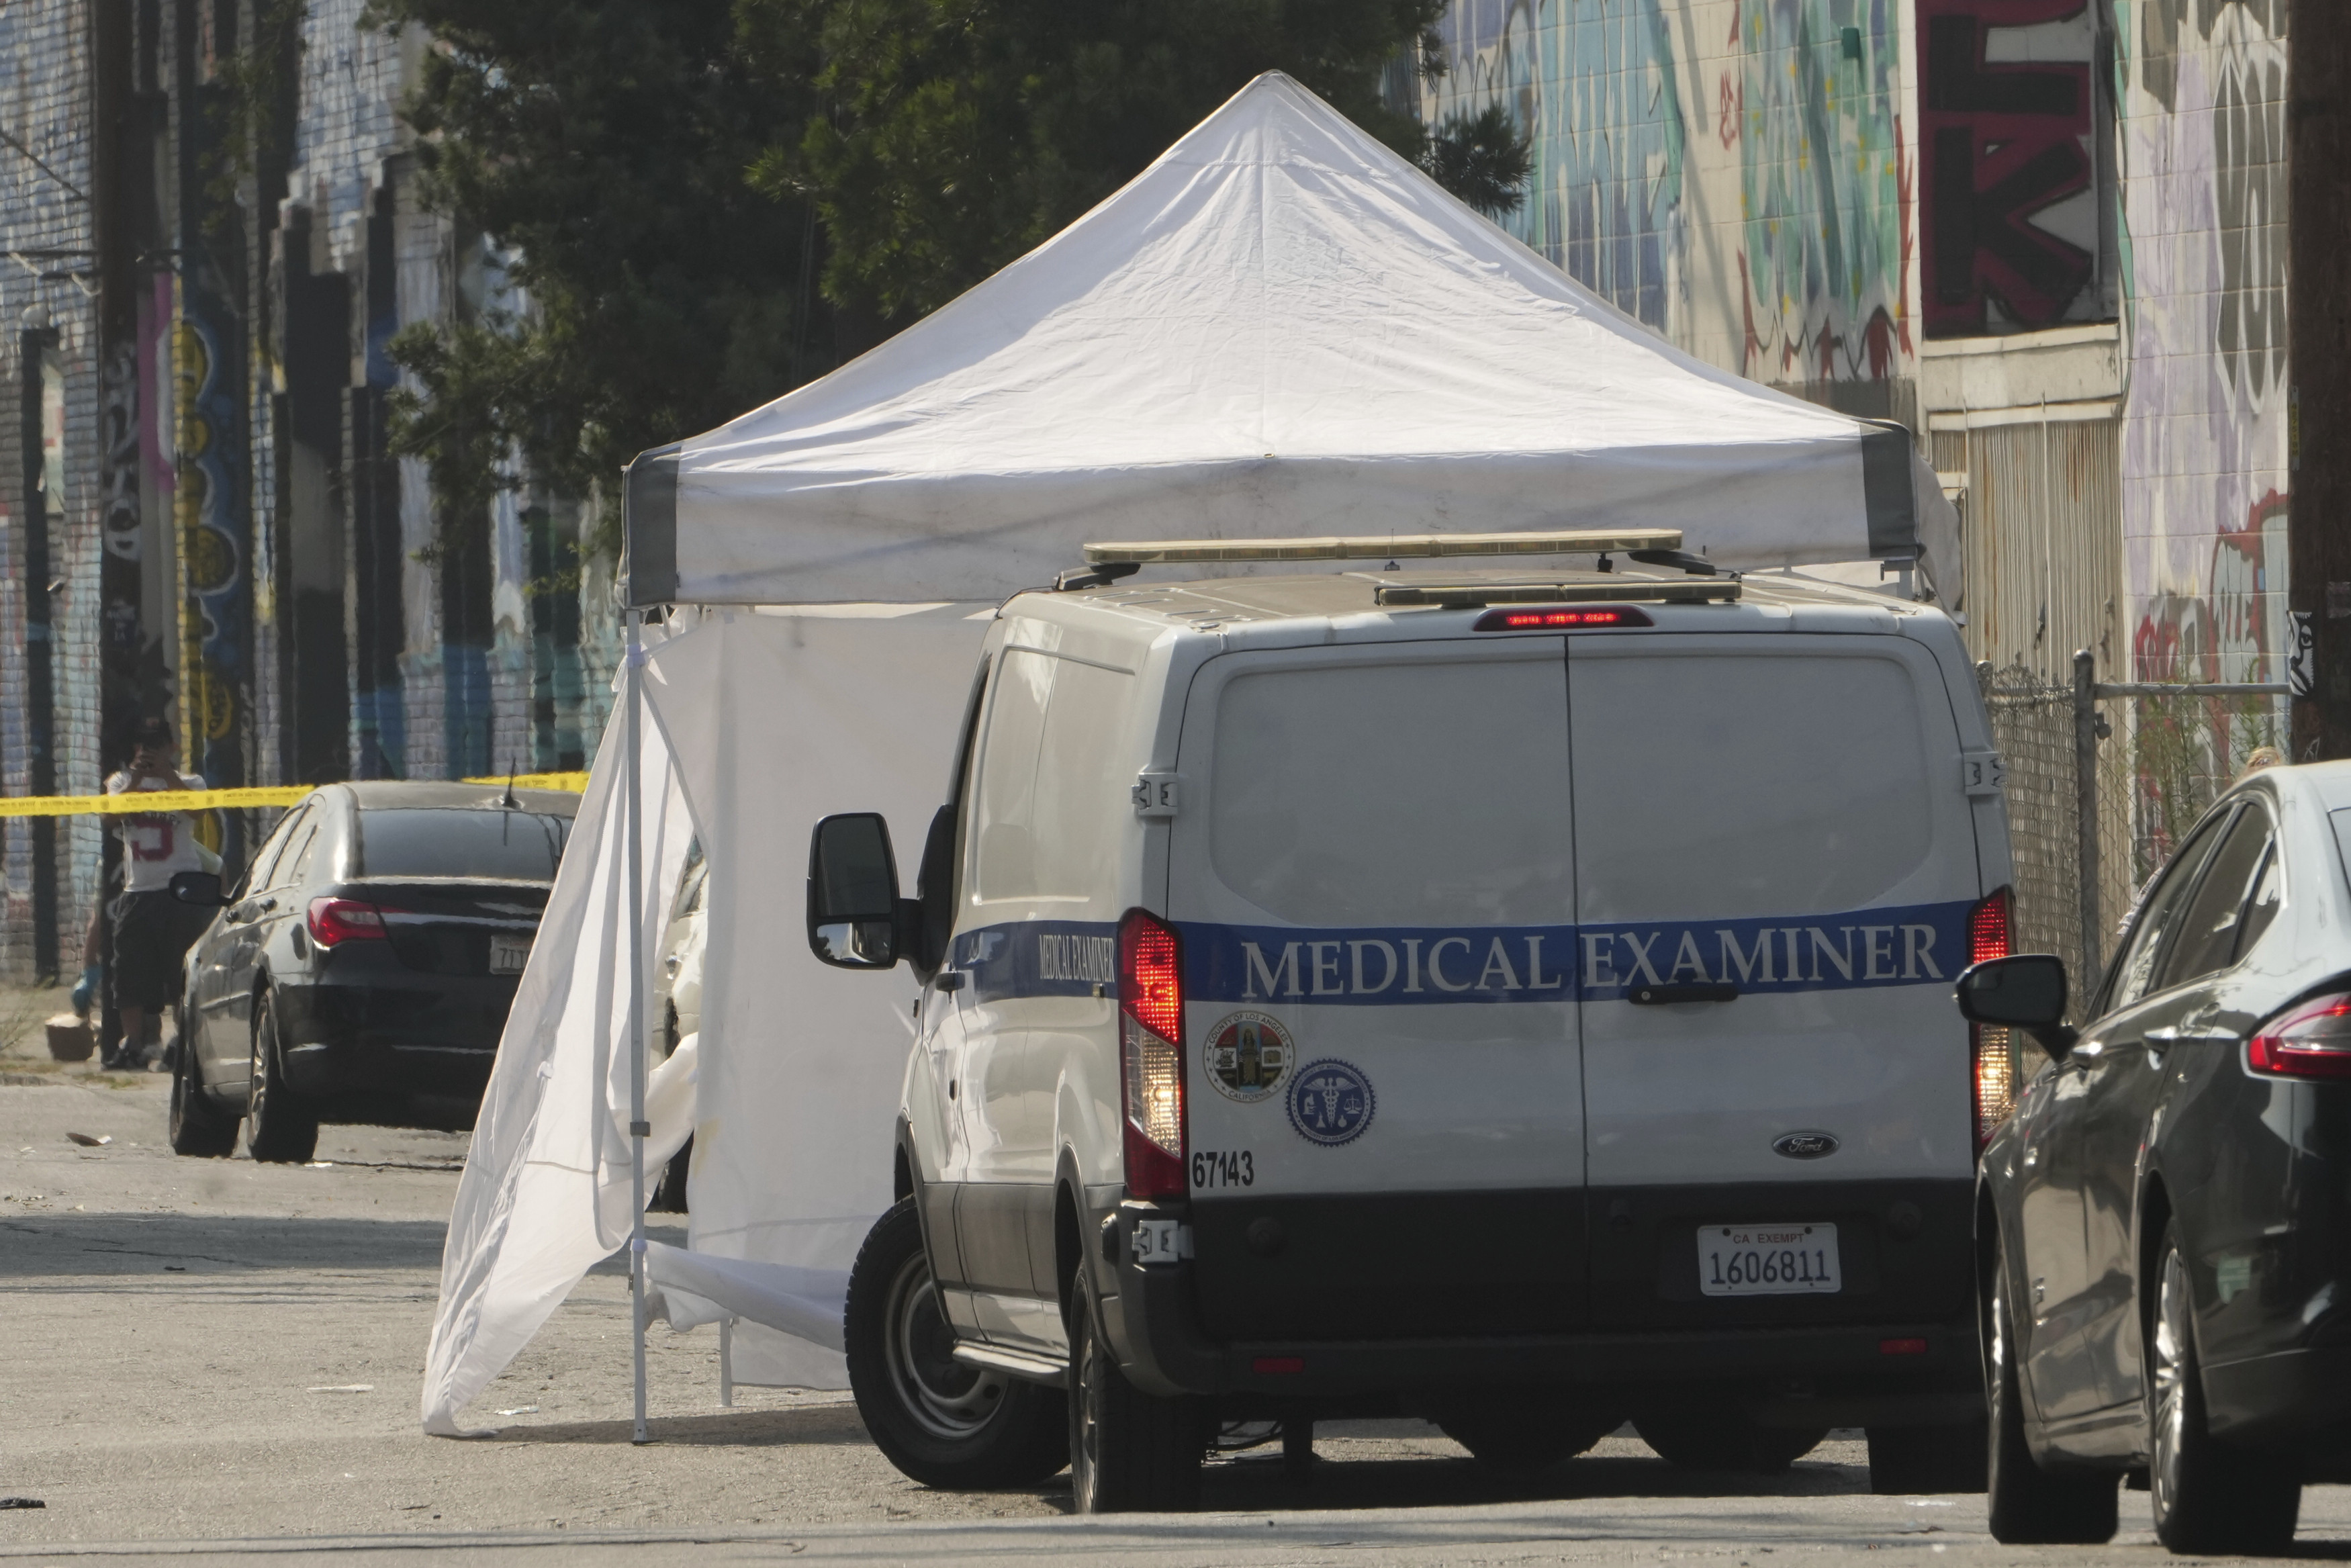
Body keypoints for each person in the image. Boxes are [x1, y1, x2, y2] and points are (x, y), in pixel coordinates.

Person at [80, 717, 212, 1070]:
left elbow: (198, 810)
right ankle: (134, 1044)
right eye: (143, 745)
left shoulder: (190, 782)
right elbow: (110, 817)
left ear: (171, 747)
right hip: (138, 890)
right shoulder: (120, 783)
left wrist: (167, 775)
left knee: (179, 971)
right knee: (129, 972)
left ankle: (181, 1042)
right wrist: (137, 780)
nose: (148, 751)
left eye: (156, 744)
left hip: (179, 891)